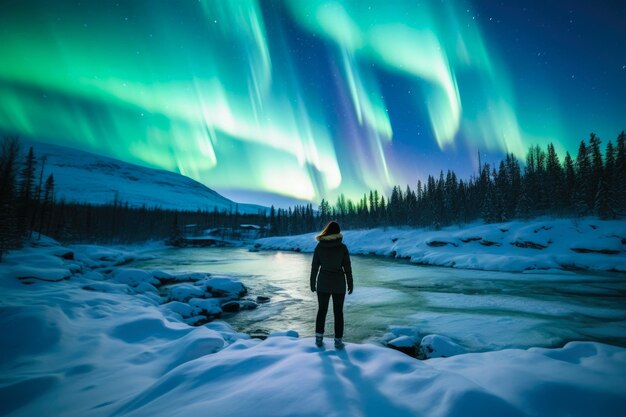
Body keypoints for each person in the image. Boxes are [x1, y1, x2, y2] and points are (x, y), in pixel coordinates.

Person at [310, 221, 353, 349]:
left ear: (326, 231)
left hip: (323, 283)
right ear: (338, 232)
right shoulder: (342, 247)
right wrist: (350, 283)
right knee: (338, 312)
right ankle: (338, 341)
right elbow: (347, 267)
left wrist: (312, 282)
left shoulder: (319, 246)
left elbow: (315, 267)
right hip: (339, 284)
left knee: (322, 310)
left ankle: (318, 339)